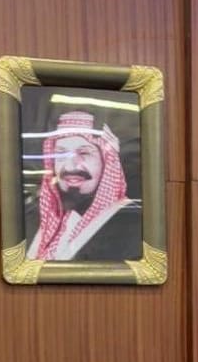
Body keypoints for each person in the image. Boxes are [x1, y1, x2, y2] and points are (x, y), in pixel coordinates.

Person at [28, 110, 141, 262]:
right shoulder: (33, 218)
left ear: (107, 162)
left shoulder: (132, 224)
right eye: (60, 153)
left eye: (84, 153)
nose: (70, 165)